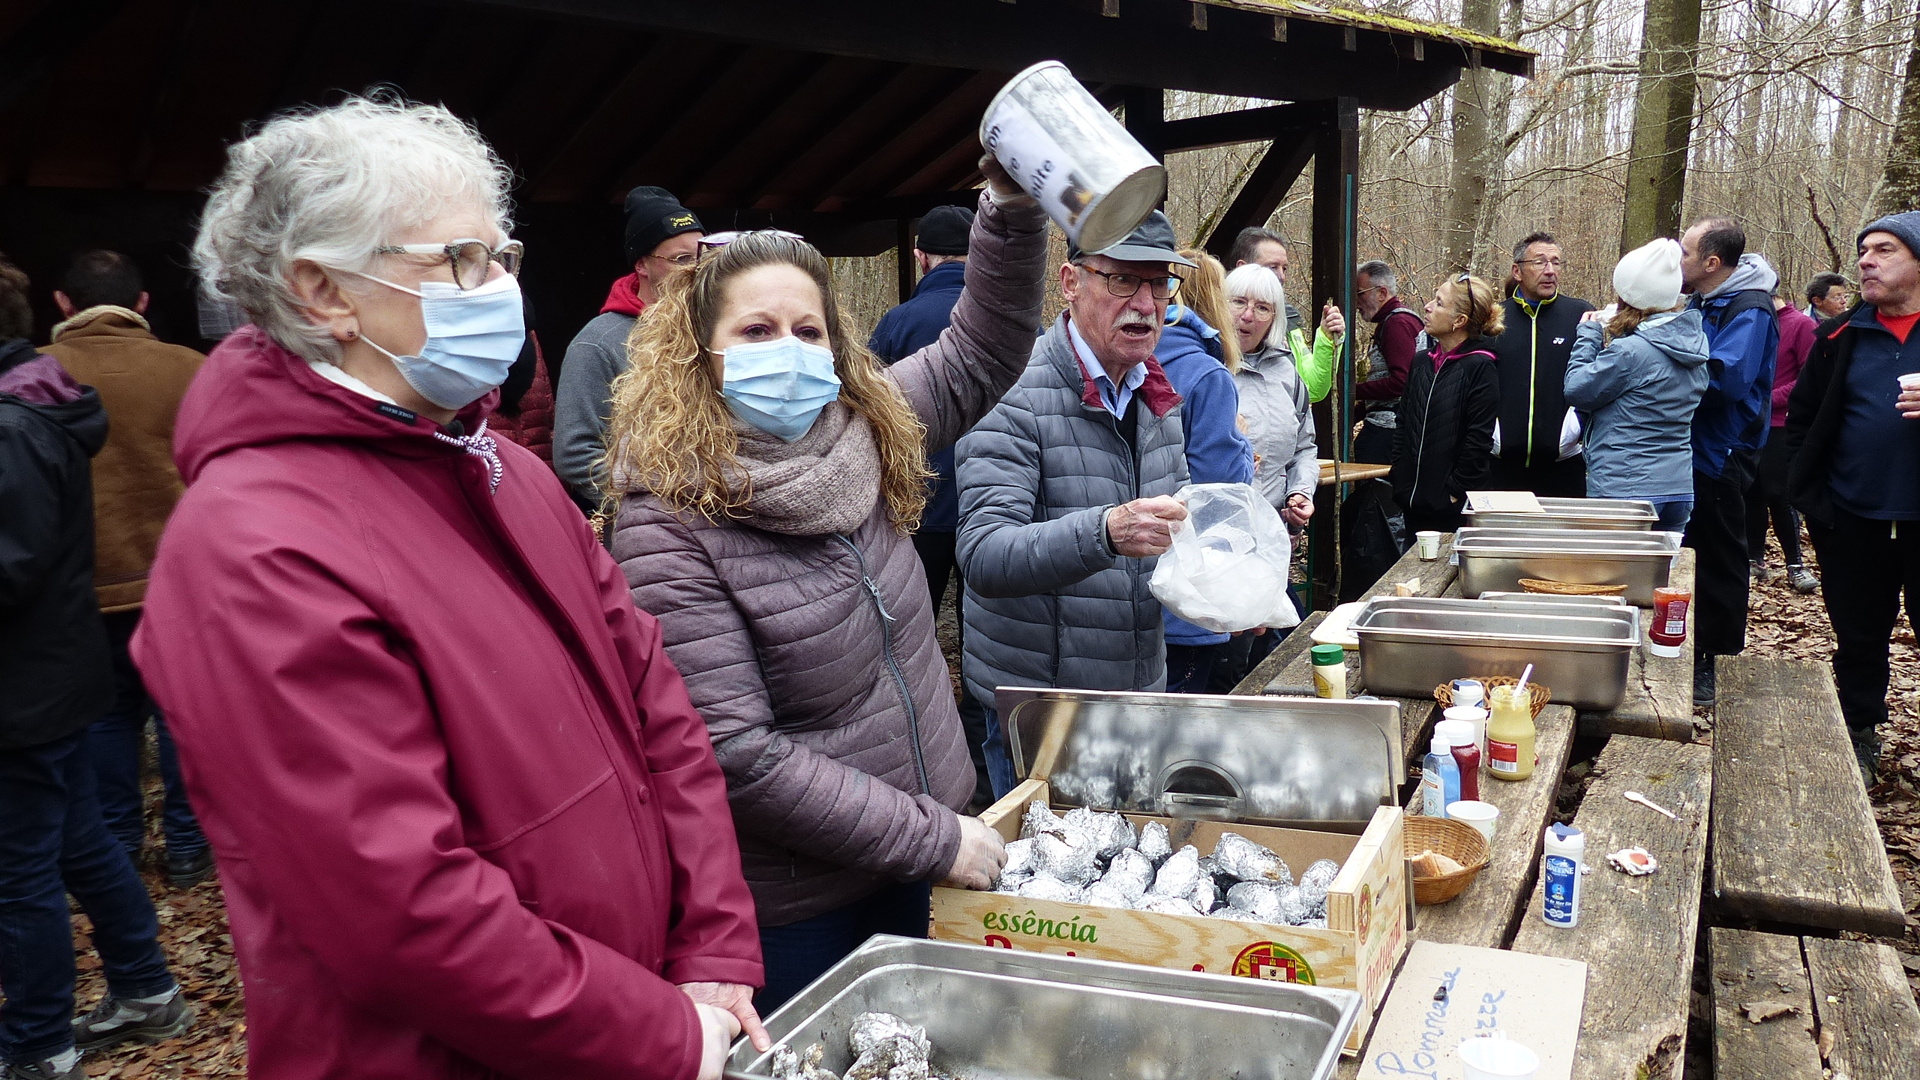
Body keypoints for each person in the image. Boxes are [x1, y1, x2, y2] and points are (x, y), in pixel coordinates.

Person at [133, 98, 765, 1079]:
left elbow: (662, 717)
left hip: (631, 1017)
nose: (501, 289)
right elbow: (399, 911)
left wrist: (714, 952)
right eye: (461, 262)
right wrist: (657, 1033)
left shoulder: (503, 469)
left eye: (503, 257)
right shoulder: (254, 552)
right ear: (322, 294)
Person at [607, 161, 1041, 1012]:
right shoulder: (667, 519)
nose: (790, 353)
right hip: (805, 907)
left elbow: (984, 346)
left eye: (809, 332)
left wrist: (1012, 210)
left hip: (931, 854)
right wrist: (929, 838)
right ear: (701, 352)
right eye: (758, 330)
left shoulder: (862, 429)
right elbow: (736, 753)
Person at [1, 254, 194, 1080]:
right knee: (82, 827)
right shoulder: (180, 371)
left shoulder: (14, 421)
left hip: (37, 665)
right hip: (121, 614)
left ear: (63, 301)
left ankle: (40, 1043)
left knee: (22, 865)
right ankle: (150, 974)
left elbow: (11, 559)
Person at [958, 210, 1193, 796]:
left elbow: (1177, 529)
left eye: (1158, 283)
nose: (1144, 303)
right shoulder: (1009, 391)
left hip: (1138, 698)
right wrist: (1106, 532)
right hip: (1044, 715)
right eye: (1122, 281)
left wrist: (1224, 582)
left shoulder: (1157, 393)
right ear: (1070, 282)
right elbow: (983, 555)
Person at [39, 250, 213, 889]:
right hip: (179, 582)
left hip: (87, 586)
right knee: (180, 715)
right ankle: (191, 847)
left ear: (63, 304)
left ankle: (120, 844)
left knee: (108, 718)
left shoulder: (37, 375)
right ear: (141, 303)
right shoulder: (190, 369)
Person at [1785, 211, 1920, 782]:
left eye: (1885, 250)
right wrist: (1814, 500)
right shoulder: (1836, 337)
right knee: (1859, 639)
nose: (1865, 261)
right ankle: (1860, 735)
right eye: (1863, 250)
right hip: (1852, 519)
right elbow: (1803, 421)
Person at [867, 203, 991, 807]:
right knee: (982, 636)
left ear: (920, 256)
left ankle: (918, 761)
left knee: (906, 641)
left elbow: (864, 416)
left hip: (918, 507)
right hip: (992, 508)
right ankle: (983, 763)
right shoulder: (998, 320)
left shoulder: (898, 322)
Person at [1679, 217, 1779, 707]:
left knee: (1721, 554)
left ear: (1711, 263)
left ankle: (1717, 661)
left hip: (1724, 447)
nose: (1679, 261)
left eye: (1685, 253)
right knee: (1694, 548)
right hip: (1693, 445)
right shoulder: (1703, 300)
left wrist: (1659, 371)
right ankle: (1691, 647)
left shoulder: (1749, 306)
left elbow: (1727, 379)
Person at [554, 186, 704, 506]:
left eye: (703, 257)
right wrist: (657, 513)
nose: (696, 270)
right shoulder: (598, 343)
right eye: (681, 259)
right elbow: (576, 455)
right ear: (642, 265)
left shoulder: (719, 330)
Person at [1216, 262, 1328, 690]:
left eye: (1263, 307)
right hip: (1220, 545)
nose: (1249, 315)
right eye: (1239, 302)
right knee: (1228, 660)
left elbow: (1305, 447)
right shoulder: (1207, 367)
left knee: (1275, 656)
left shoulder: (1288, 372)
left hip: (1274, 539)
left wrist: (1301, 493)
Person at [1155, 251, 1254, 693]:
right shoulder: (1208, 375)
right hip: (1185, 588)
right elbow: (1222, 494)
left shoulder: (1130, 359)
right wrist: (1243, 447)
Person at [1564, 239, 1710, 531]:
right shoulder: (1695, 342)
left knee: (1614, 576)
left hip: (1625, 488)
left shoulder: (1630, 352)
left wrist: (1589, 336)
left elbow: (1578, 389)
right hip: (1678, 488)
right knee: (1660, 576)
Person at [1390, 274, 1503, 535]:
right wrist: (1400, 475)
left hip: (1451, 509)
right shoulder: (1421, 362)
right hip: (1411, 500)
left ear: (1459, 321)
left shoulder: (1480, 366)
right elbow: (1403, 422)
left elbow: (1478, 439)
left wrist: (1454, 491)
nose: (1428, 307)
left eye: (1439, 303)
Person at [1489, 233, 1594, 496]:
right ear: (1517, 271)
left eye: (1556, 263)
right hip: (1499, 466)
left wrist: (1576, 427)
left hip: (1563, 466)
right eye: (1540, 262)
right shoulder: (1493, 318)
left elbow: (1597, 377)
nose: (1550, 271)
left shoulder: (1580, 314)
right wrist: (1491, 434)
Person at [1746, 287, 1818, 592]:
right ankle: (1754, 559)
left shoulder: (1801, 324)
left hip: (1781, 424)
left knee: (1779, 494)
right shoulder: (1751, 322)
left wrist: (1766, 401)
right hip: (1748, 424)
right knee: (1751, 493)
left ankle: (1795, 565)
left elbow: (1809, 378)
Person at [1354, 259, 1424, 463]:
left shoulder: (1397, 324)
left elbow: (1401, 382)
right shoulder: (1397, 321)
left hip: (1389, 429)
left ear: (1382, 293)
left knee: (1373, 491)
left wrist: (1352, 390)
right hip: (1392, 425)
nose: (1356, 303)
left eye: (1360, 294)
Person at [1228, 226, 1303, 338]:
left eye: (1284, 268)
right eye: (1273, 267)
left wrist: (1325, 341)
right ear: (1243, 267)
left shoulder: (1290, 318)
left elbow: (1302, 356)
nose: (1282, 276)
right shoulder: (1210, 319)